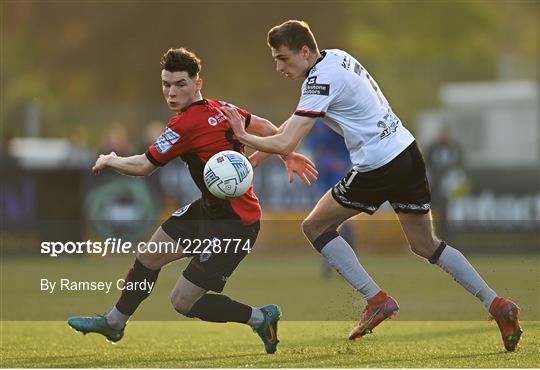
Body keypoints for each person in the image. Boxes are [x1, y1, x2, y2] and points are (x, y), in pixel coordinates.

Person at [222, 20, 522, 352]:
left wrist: (243, 136)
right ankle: (498, 305)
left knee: (315, 226)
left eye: (283, 58)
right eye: (276, 60)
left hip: (378, 163)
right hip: (407, 151)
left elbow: (287, 139)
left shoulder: (318, 80)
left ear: (305, 51)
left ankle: (375, 298)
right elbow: (288, 134)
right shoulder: (334, 58)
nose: (279, 66)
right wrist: (259, 159)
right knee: (426, 245)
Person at [68, 47, 318, 354]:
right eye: (166, 85)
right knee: (148, 257)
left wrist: (112, 159)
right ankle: (115, 322)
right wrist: (263, 159)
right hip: (208, 210)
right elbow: (270, 129)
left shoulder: (184, 124)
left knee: (182, 302)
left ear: (197, 84)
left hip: (235, 224)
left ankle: (260, 317)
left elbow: (145, 166)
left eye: (180, 84)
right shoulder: (221, 108)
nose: (171, 93)